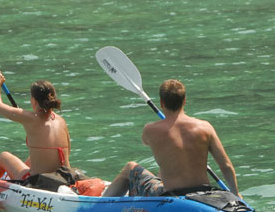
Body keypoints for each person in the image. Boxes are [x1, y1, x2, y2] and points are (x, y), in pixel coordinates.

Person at [102, 79, 240, 198]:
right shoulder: (205, 127)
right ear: (184, 101)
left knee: (130, 167)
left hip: (171, 195)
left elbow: (145, 142)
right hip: (203, 192)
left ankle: (99, 205)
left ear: (162, 103)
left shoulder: (150, 130)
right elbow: (226, 166)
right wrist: (235, 194)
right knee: (162, 171)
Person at [0, 72, 71, 180]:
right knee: (32, 158)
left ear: (33, 101)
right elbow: (67, 151)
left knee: (4, 156)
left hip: (39, 181)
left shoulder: (30, 118)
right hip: (66, 178)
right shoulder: (61, 121)